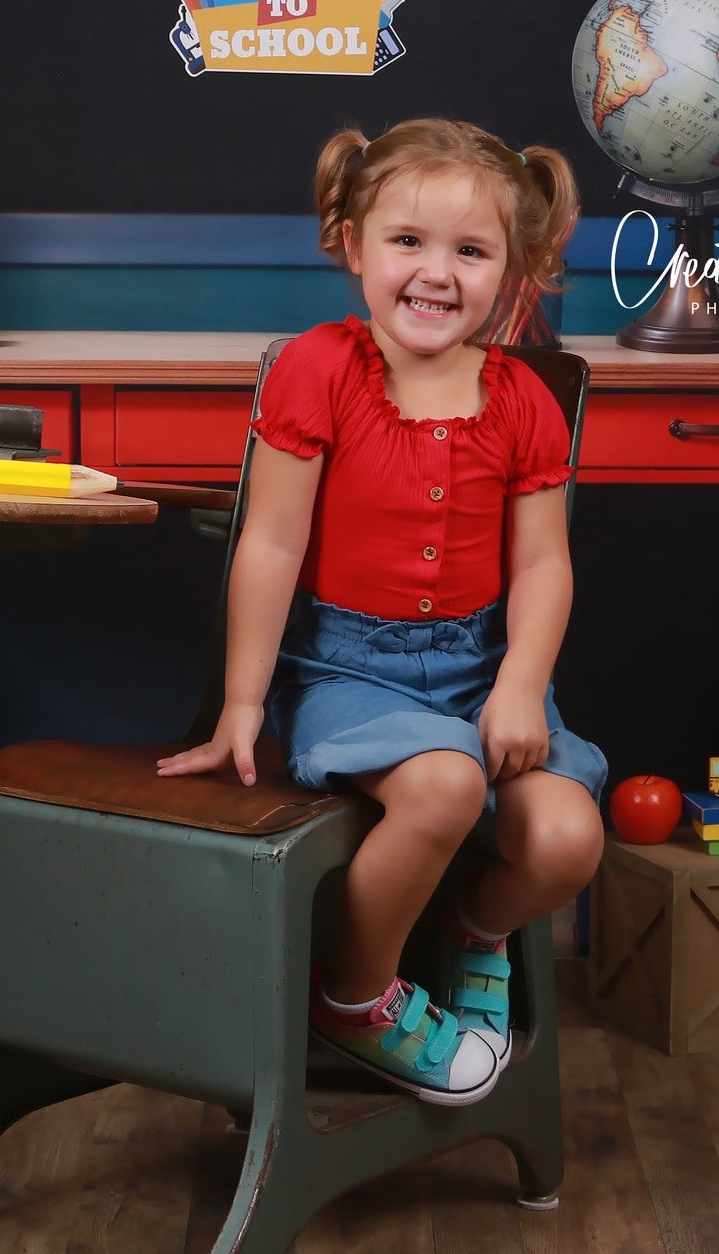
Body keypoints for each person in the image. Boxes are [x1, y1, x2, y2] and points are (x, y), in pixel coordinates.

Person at [157, 118, 608, 1105]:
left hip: (478, 672)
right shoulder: (321, 369)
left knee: (569, 838)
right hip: (344, 671)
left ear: (515, 269)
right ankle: (353, 995)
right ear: (353, 244)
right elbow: (268, 545)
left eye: (470, 250)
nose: (435, 273)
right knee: (444, 786)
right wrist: (242, 704)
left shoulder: (522, 399)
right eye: (407, 242)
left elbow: (542, 565)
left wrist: (521, 685)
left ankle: (472, 930)